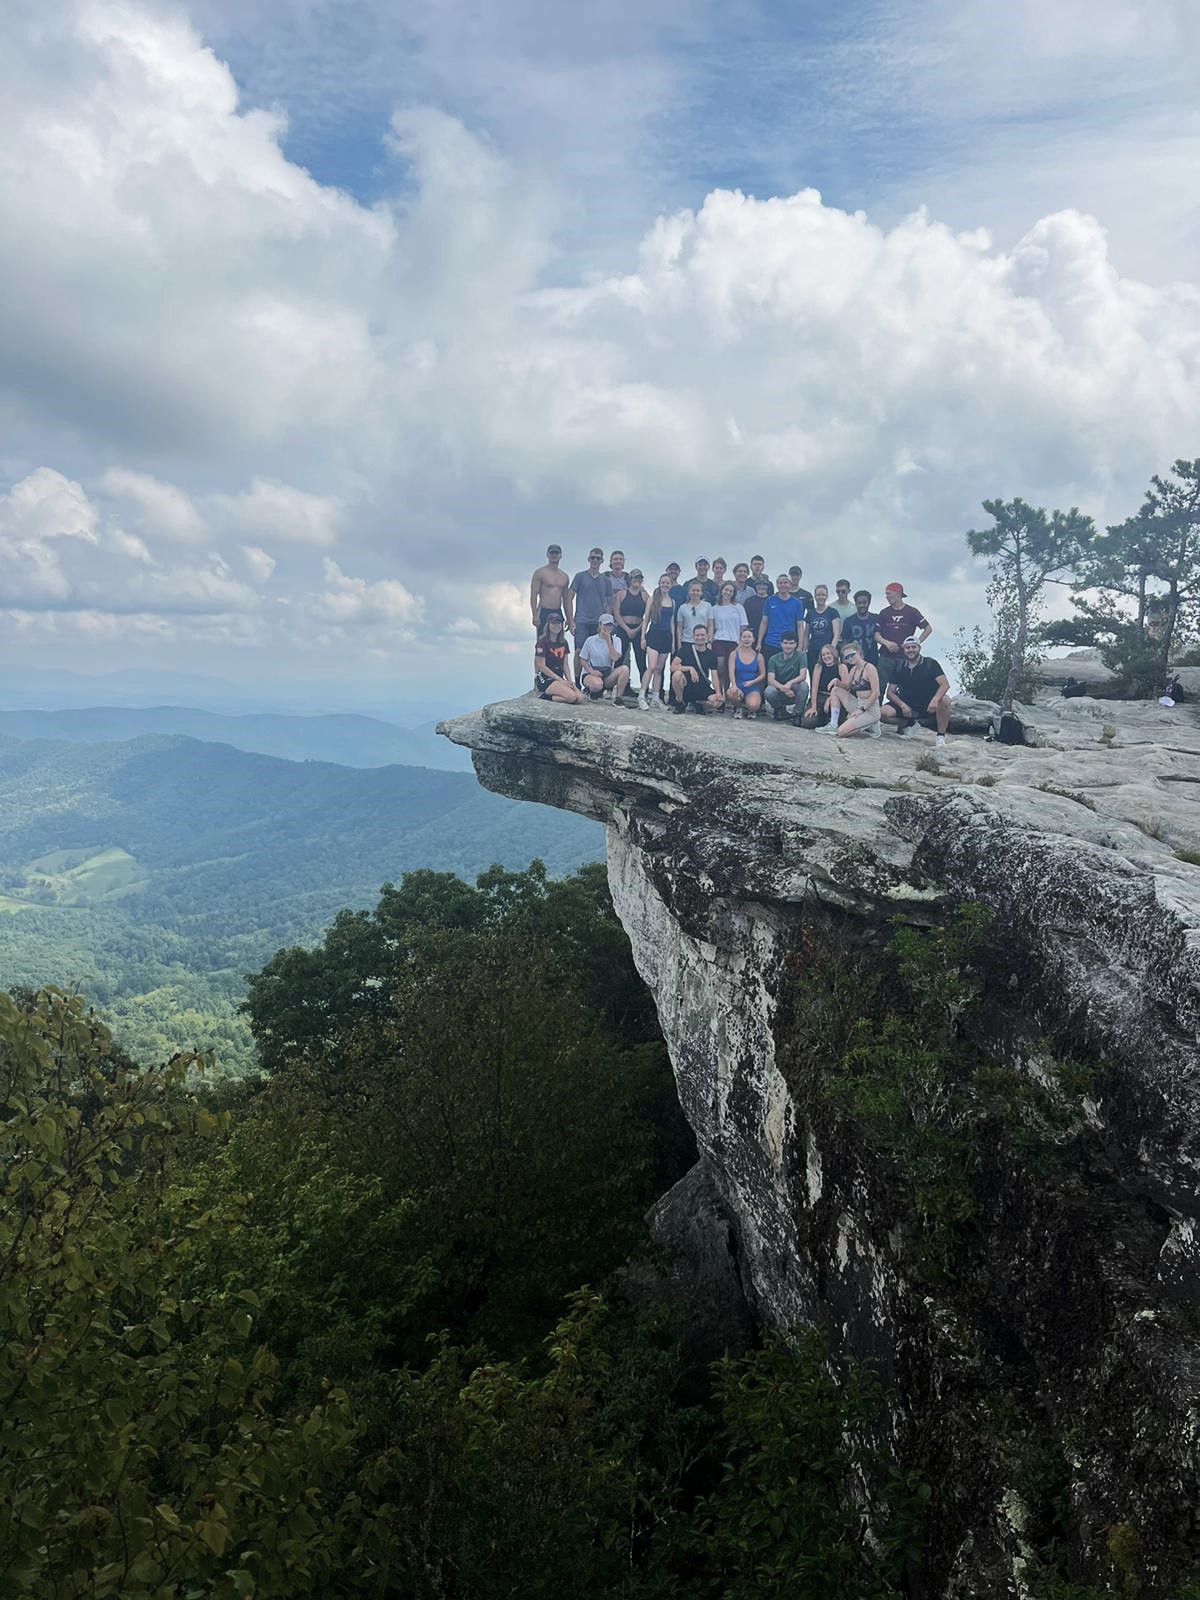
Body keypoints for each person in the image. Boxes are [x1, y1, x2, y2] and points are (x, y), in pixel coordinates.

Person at [881, 637, 951, 743]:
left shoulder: (930, 663)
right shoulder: (899, 666)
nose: (911, 650)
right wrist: (902, 705)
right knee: (882, 713)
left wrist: (936, 699)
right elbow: (890, 692)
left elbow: (945, 684)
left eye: (914, 647)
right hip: (907, 704)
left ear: (919, 648)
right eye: (907, 647)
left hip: (928, 704)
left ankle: (940, 736)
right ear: (904, 650)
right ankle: (910, 724)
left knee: (945, 700)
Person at [875, 582, 932, 694]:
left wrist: (915, 643)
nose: (887, 597)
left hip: (905, 657)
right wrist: (886, 643)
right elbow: (876, 635)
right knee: (879, 687)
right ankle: (877, 710)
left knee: (905, 687)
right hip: (886, 657)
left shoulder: (912, 612)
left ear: (898, 594)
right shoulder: (884, 613)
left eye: (889, 594)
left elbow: (928, 629)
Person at [569, 548, 613, 683]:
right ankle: (577, 683)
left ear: (602, 561)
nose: (595, 560)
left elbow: (609, 603)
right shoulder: (580, 576)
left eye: (598, 558)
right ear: (588, 559)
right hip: (581, 620)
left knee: (600, 653)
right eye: (593, 557)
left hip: (598, 622)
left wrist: (607, 622)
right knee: (578, 651)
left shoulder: (605, 580)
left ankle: (596, 682)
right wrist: (570, 620)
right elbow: (569, 597)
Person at [828, 640, 881, 738]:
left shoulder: (870, 668)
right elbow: (846, 687)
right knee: (835, 690)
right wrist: (836, 681)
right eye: (847, 657)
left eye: (852, 654)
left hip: (870, 709)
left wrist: (862, 709)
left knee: (841, 732)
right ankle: (833, 724)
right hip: (858, 703)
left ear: (859, 653)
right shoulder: (853, 669)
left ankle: (869, 724)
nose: (850, 658)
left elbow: (876, 693)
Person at [641, 575, 677, 709]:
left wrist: (673, 642)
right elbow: (646, 619)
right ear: (659, 583)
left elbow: (672, 622)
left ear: (670, 585)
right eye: (663, 582)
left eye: (667, 582)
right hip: (654, 635)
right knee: (651, 666)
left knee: (659, 669)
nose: (665, 585)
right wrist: (643, 637)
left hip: (666, 637)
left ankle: (656, 698)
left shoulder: (673, 602)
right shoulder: (652, 599)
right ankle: (642, 695)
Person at [671, 622, 723, 713]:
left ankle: (697, 703)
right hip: (686, 686)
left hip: (701, 686)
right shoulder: (685, 649)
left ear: (707, 636)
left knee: (717, 703)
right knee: (677, 675)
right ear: (693, 636)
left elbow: (714, 676)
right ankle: (681, 703)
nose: (700, 638)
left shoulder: (711, 655)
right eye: (697, 635)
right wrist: (690, 668)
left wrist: (718, 693)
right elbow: (673, 667)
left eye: (702, 635)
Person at [579, 614, 631, 702]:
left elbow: (615, 657)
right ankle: (591, 690)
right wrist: (592, 671)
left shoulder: (617, 640)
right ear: (600, 625)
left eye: (610, 625)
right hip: (591, 671)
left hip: (607, 673)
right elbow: (582, 659)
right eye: (605, 624)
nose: (608, 627)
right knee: (597, 685)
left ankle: (618, 698)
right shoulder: (590, 640)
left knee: (625, 669)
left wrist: (608, 640)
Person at [534, 613, 584, 704]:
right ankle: (546, 696)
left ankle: (554, 695)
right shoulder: (542, 642)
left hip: (559, 676)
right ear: (548, 625)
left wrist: (569, 681)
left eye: (558, 623)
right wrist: (559, 680)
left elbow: (565, 664)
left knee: (580, 698)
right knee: (572, 697)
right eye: (553, 623)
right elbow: (541, 666)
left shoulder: (563, 643)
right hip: (546, 678)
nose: (556, 626)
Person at [764, 633, 809, 722]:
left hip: (794, 691)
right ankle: (779, 709)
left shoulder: (801, 656)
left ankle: (797, 714)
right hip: (780, 691)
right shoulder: (773, 659)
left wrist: (789, 683)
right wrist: (784, 688)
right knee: (768, 691)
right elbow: (770, 680)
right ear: (781, 644)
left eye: (791, 643)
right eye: (785, 643)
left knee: (804, 686)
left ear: (796, 644)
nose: (788, 646)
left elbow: (803, 676)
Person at [617, 569, 648, 693]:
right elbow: (616, 614)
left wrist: (638, 629)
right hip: (623, 628)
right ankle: (616, 687)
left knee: (641, 660)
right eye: (635, 578)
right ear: (630, 579)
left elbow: (648, 615)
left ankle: (644, 690)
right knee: (619, 658)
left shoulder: (645, 596)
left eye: (639, 578)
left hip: (638, 629)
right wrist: (627, 629)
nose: (637, 580)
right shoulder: (621, 594)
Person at [758, 575, 806, 656]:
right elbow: (764, 622)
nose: (783, 585)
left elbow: (800, 625)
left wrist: (800, 646)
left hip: (789, 644)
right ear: (777, 585)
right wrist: (759, 642)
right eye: (780, 583)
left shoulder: (797, 603)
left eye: (785, 583)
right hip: (771, 643)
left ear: (790, 585)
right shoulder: (769, 601)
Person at [530, 544, 572, 634]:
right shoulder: (540, 573)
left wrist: (569, 618)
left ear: (560, 556)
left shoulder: (564, 576)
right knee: (542, 640)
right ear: (547, 555)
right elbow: (534, 595)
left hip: (557, 611)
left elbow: (565, 599)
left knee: (558, 641)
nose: (554, 555)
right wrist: (534, 615)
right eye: (552, 553)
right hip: (544, 610)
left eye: (556, 553)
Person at [802, 643, 845, 728]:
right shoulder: (818, 667)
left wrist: (832, 697)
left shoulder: (841, 667)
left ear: (834, 654)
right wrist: (813, 707)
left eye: (828, 653)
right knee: (807, 722)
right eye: (823, 655)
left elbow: (847, 687)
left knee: (838, 720)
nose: (826, 656)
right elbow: (814, 688)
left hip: (835, 699)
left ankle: (831, 720)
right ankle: (822, 720)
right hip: (819, 697)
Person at [726, 626, 766, 719]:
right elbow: (731, 671)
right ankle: (738, 707)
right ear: (740, 639)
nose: (746, 639)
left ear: (753, 639)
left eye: (749, 637)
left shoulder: (759, 656)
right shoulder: (734, 654)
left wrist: (753, 682)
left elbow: (763, 674)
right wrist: (734, 685)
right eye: (744, 637)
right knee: (731, 693)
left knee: (753, 705)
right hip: (738, 685)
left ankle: (750, 710)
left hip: (752, 686)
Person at [710, 582, 748, 674]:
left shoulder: (739, 608)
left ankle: (727, 688)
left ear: (733, 593)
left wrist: (741, 644)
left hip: (734, 642)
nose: (728, 592)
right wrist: (709, 641)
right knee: (720, 665)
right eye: (726, 590)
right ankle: (718, 688)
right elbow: (711, 626)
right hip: (719, 640)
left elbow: (743, 627)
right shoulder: (714, 608)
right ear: (722, 591)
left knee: (730, 668)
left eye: (731, 591)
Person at [805, 584, 841, 670]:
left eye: (823, 595)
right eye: (818, 595)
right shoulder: (810, 613)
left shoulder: (833, 612)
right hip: (813, 650)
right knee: (814, 675)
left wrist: (831, 650)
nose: (820, 597)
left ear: (826, 596)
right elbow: (806, 634)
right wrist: (804, 650)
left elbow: (836, 633)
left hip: (827, 652)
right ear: (815, 596)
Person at [840, 590, 879, 665]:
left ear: (869, 603)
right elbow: (845, 642)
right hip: (854, 659)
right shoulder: (848, 621)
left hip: (873, 658)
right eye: (859, 603)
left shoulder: (875, 618)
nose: (862, 605)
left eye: (864, 603)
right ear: (855, 603)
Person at [677, 580, 714, 650]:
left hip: (703, 641)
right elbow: (679, 628)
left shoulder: (707, 606)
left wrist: (709, 642)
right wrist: (679, 644)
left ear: (701, 592)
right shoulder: (682, 608)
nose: (695, 593)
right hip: (687, 641)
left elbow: (710, 625)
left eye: (698, 591)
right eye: (693, 590)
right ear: (689, 592)